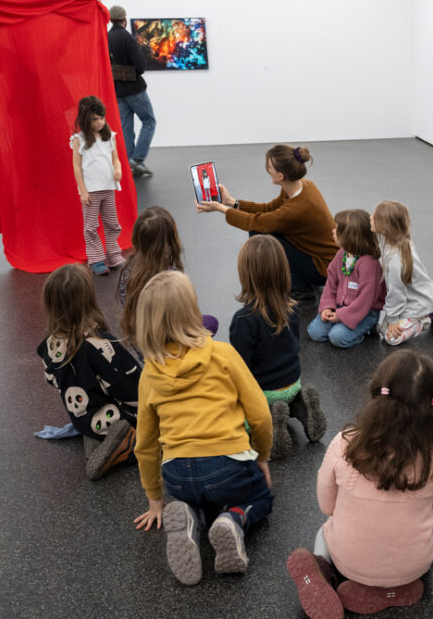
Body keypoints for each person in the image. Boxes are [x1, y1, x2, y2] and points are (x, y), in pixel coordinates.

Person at [286, 351, 433, 618]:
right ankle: (391, 592)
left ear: (379, 391)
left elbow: (326, 505)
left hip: (348, 559)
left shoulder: (345, 443)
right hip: (413, 564)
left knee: (324, 532)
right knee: (414, 555)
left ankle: (323, 572)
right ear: (432, 404)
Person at [132, 271, 273, 586]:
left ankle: (194, 518)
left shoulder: (149, 375)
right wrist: (261, 456)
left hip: (178, 474)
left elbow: (145, 443)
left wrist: (155, 499)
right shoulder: (222, 353)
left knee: (199, 500)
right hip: (228, 463)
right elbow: (261, 414)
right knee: (261, 498)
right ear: (192, 311)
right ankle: (234, 520)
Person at [195, 144, 336, 302]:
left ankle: (302, 293)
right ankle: (299, 283)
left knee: (259, 236)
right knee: (261, 233)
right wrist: (231, 202)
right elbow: (268, 209)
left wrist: (221, 208)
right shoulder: (303, 185)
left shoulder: (295, 209)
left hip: (323, 268)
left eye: (269, 166)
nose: (267, 169)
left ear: (281, 176)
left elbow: (256, 222)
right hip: (323, 256)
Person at [38, 264, 140, 480]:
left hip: (83, 419)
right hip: (119, 415)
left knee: (94, 414)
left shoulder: (49, 346)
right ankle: (129, 443)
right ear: (88, 301)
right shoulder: (100, 345)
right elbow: (131, 387)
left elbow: (51, 379)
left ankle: (97, 442)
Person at [230, 235, 326, 459]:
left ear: (246, 274)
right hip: (293, 381)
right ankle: (298, 404)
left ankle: (269, 426)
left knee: (231, 415)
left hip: (265, 392)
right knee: (284, 394)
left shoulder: (243, 320)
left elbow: (241, 370)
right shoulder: (291, 308)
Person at [116, 206, 218, 349]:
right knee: (211, 322)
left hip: (143, 345)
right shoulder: (172, 276)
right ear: (171, 239)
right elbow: (184, 319)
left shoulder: (127, 271)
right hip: (172, 343)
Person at [371, 200, 433, 345]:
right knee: (382, 329)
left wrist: (393, 319)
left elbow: (396, 292)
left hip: (418, 302)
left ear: (384, 229)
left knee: (391, 338)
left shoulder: (394, 260)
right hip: (409, 298)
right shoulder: (399, 240)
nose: (370, 217)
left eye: (374, 216)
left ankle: (428, 315)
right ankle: (429, 306)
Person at [307, 209, 386, 348]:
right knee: (315, 333)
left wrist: (342, 316)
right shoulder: (341, 254)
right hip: (339, 307)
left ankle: (368, 329)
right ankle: (345, 326)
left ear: (350, 236)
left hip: (364, 312)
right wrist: (327, 307)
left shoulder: (369, 264)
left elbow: (365, 300)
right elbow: (331, 285)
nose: (333, 231)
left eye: (337, 228)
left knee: (337, 338)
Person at [70, 95, 124, 276]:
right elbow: (76, 166)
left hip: (108, 188)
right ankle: (95, 260)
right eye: (95, 119)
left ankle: (113, 254)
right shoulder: (79, 139)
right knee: (91, 226)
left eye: (102, 118)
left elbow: (116, 159)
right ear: (86, 119)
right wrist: (82, 191)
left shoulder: (110, 137)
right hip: (91, 191)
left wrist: (118, 170)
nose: (100, 122)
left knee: (112, 224)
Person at [108, 5, 155, 177]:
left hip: (118, 90)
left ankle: (128, 162)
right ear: (124, 19)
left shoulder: (107, 37)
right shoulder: (127, 38)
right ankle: (138, 159)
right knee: (149, 121)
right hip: (134, 89)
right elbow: (140, 66)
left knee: (126, 127)